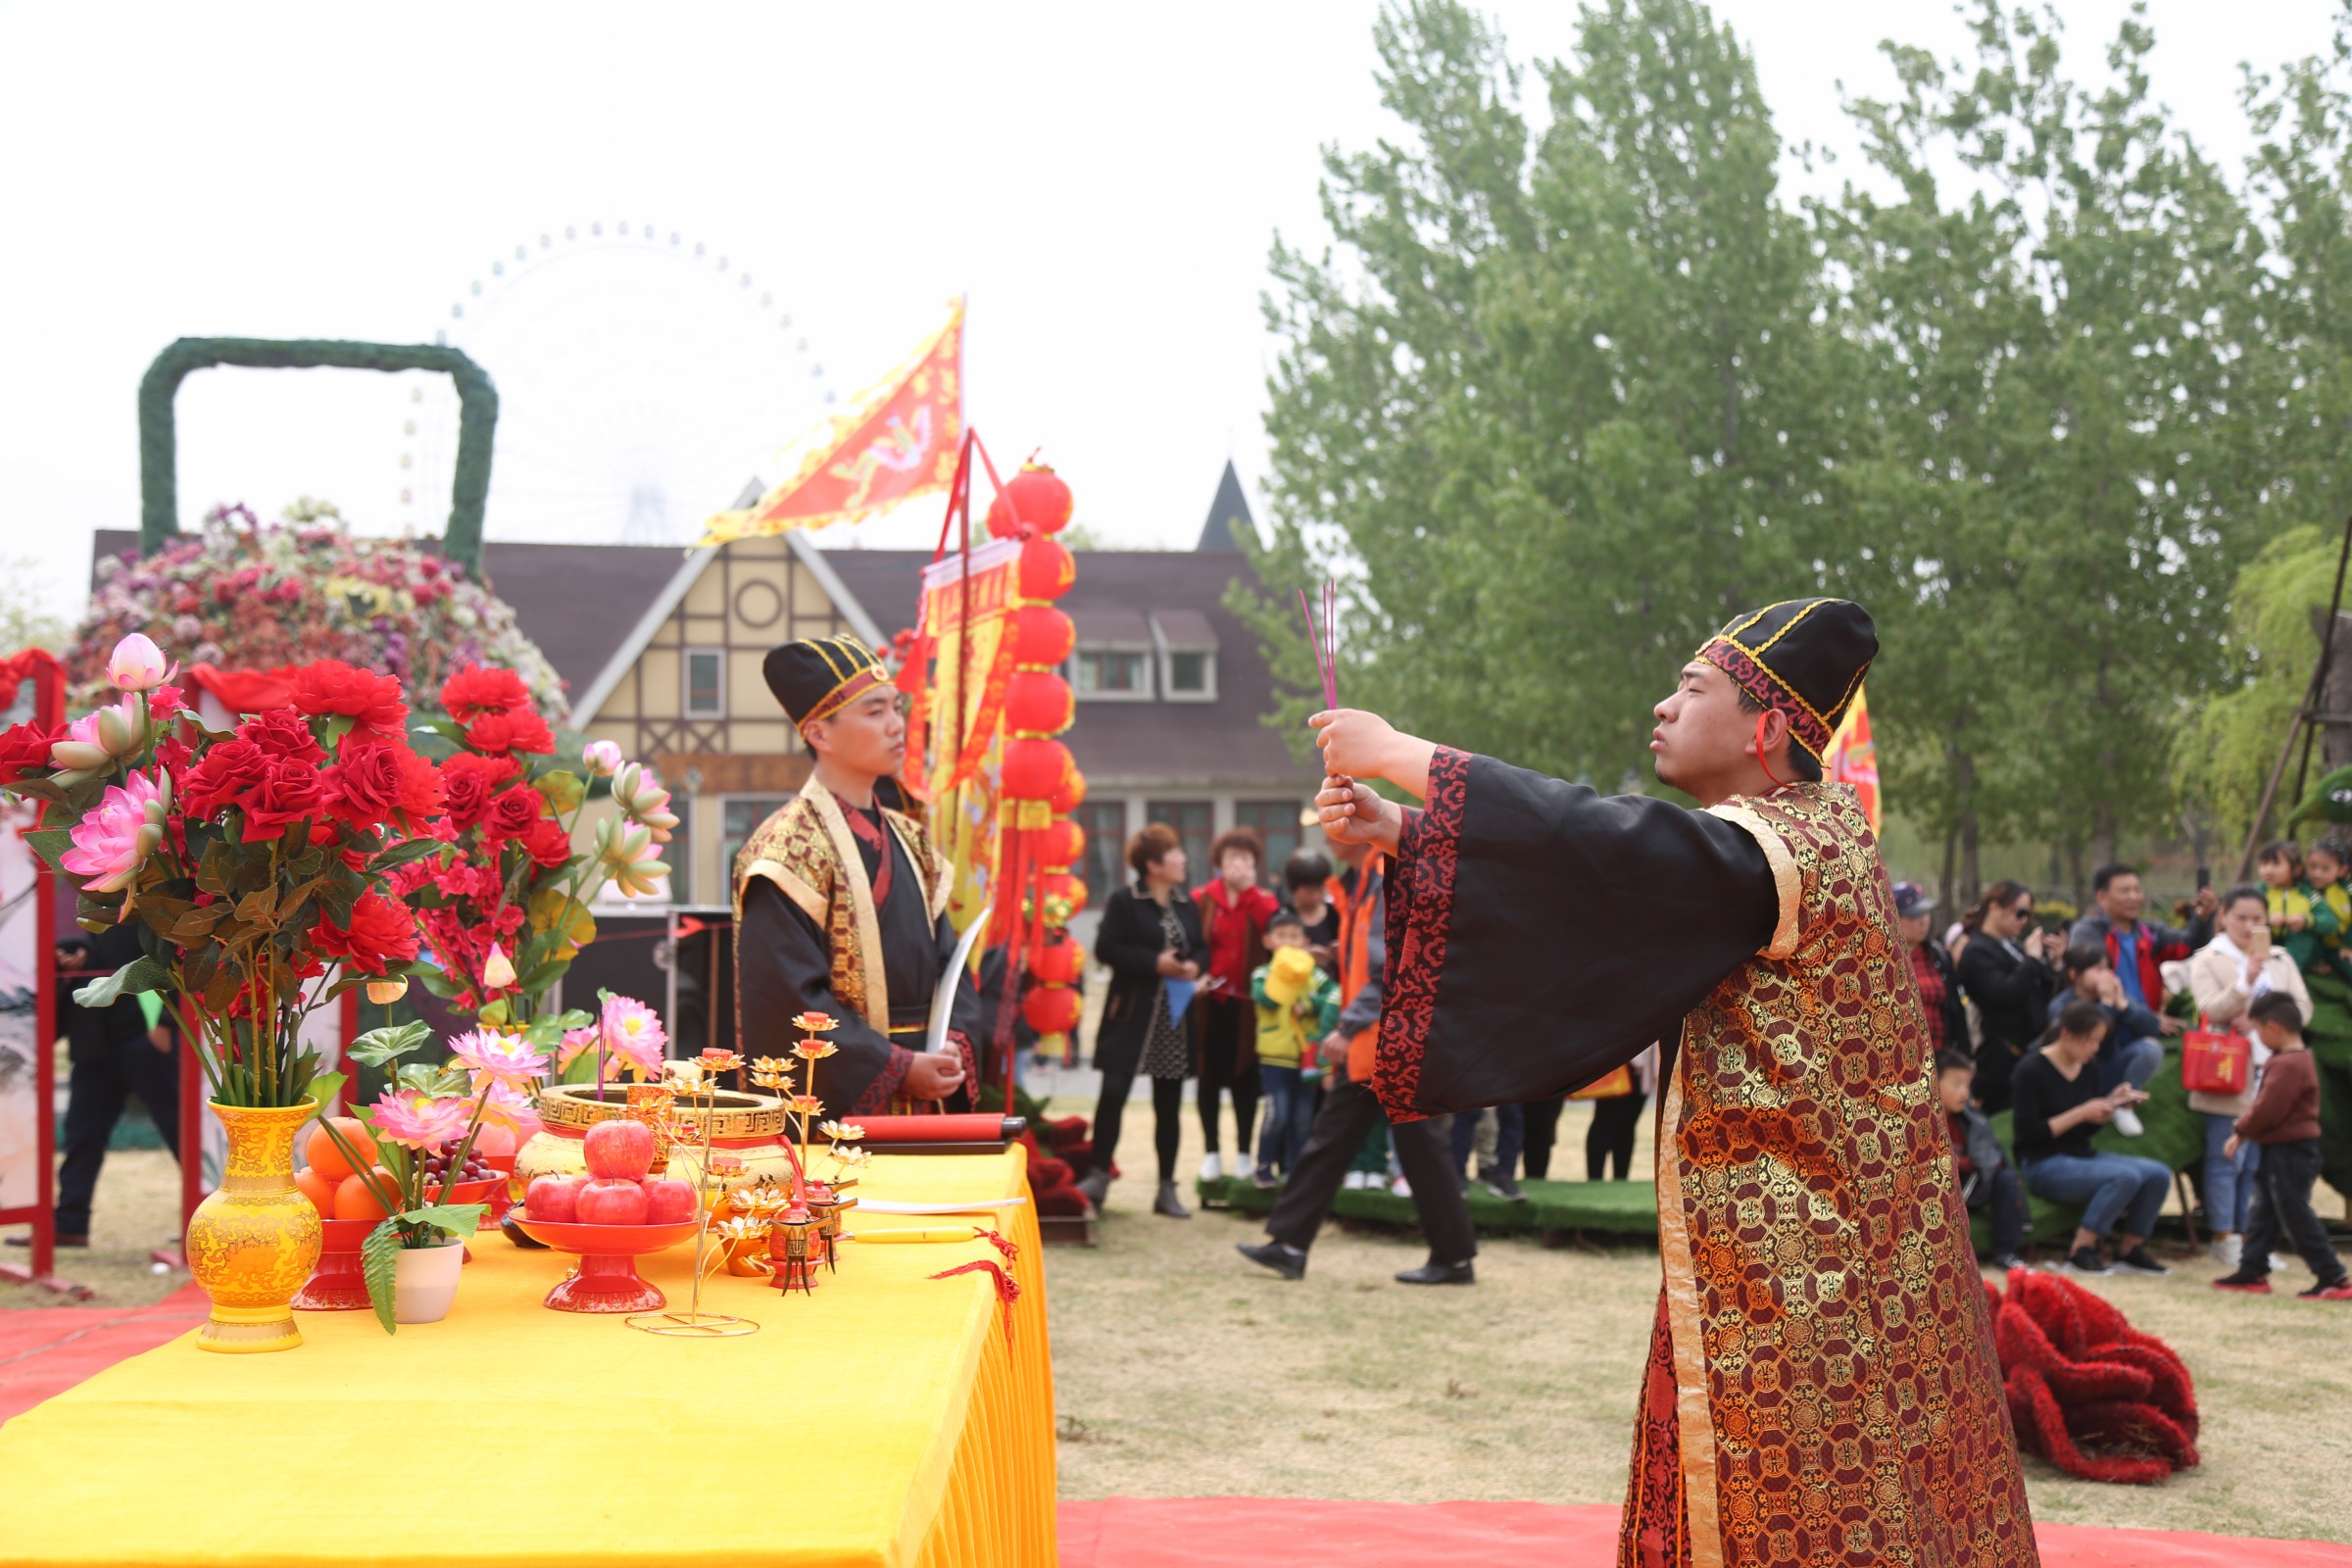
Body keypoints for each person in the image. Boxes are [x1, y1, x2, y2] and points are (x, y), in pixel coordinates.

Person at [1311, 598, 2033, 1565]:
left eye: (1691, 690)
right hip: (1798, 1243)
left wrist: (1410, 756)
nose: (1661, 707)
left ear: (1766, 727)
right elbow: (1613, 897)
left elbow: (1605, 845)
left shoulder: (1776, 845)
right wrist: (1407, 827)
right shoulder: (1809, 834)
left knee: (1800, 1509)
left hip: (1799, 1264)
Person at [732, 635, 981, 1118]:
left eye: (896, 708)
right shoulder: (785, 853)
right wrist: (897, 1066)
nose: (896, 726)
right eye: (874, 712)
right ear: (819, 734)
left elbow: (953, 970)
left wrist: (954, 1044)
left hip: (930, 1097)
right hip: (847, 1113)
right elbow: (788, 1001)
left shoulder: (915, 842)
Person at [1234, 836, 1478, 1286]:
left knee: (1418, 1148)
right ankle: (1289, 1244)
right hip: (1374, 1043)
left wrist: (1346, 1027)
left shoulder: (1383, 878)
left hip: (1393, 1040)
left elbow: (1390, 967)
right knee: (1331, 1142)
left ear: (1355, 831)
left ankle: (1455, 1258)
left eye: (1332, 824)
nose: (1325, 835)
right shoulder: (1359, 883)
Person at [13, 922, 180, 1250]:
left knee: (181, 1131)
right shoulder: (97, 904)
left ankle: (211, 1213)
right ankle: (70, 1225)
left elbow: (179, 961)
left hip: (142, 1039)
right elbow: (98, 953)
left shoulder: (151, 899)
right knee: (81, 1134)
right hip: (95, 1047)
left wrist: (164, 1024)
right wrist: (75, 950)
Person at [1083, 823, 1207, 1218]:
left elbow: (1202, 948)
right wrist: (1155, 962)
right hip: (1131, 1015)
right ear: (1153, 864)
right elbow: (1106, 948)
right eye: (1175, 853)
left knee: (1168, 1104)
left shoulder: (1186, 904)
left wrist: (1193, 969)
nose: (1183, 859)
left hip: (1174, 1018)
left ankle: (1167, 1189)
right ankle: (1098, 1177)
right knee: (1113, 1094)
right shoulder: (1124, 900)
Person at [2187, 884, 2311, 1269]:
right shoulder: (2208, 958)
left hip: (2275, 1070)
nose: (2249, 925)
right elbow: (2210, 1006)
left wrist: (2265, 1019)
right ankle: (2225, 1236)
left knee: (2259, 1162)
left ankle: (2253, 1238)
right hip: (2228, 1069)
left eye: (2257, 918)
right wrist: (2244, 985)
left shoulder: (2280, 958)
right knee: (2227, 1158)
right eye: (2240, 917)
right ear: (2223, 915)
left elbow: (2303, 1008)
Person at [2011, 999, 2168, 1277]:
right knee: (2125, 1176)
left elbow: (2083, 1131)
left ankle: (2130, 1250)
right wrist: (2082, 1112)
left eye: (2098, 1042)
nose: (2094, 1049)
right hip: (2042, 1163)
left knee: (2158, 1174)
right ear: (2066, 1034)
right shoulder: (2031, 1068)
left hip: (2079, 1155)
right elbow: (2029, 1134)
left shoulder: (2088, 1068)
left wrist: (2109, 1106)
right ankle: (2080, 1252)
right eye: (2090, 1042)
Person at [2212, 991, 2352, 1298]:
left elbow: (2268, 1109)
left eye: (2258, 1030)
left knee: (2295, 1213)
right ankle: (2252, 1270)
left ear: (2273, 1027)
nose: (2258, 1038)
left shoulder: (2289, 1065)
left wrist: (2241, 1131)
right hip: (2279, 1148)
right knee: (2264, 1212)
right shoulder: (2292, 1059)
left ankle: (2332, 1277)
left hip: (2292, 1151)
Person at [1193, 827, 1279, 1184]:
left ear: (1255, 864)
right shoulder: (1202, 898)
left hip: (1248, 1007)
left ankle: (1244, 1153)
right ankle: (1211, 1153)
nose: (1238, 864)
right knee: (1208, 1078)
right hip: (1209, 1003)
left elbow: (1272, 933)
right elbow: (1193, 944)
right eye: (1232, 857)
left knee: (1245, 1078)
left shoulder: (1264, 901)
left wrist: (1250, 894)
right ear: (1218, 862)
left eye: (1246, 858)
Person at [2046, 941, 2178, 1136]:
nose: (2107, 975)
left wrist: (2123, 1004)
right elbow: (2084, 1040)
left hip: (2108, 1069)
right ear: (2074, 975)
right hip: (2076, 1077)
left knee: (2150, 1048)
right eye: (2098, 970)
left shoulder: (2112, 995)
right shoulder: (2062, 1005)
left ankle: (2123, 1105)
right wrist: (2107, 1005)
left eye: (2108, 968)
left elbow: (2152, 1028)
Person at [1249, 911, 1340, 1186]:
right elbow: (1266, 999)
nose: (1288, 942)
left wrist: (1310, 1005)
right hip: (1275, 1057)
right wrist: (1288, 976)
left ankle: (1294, 1168)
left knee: (1302, 1117)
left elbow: (1335, 995)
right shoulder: (1262, 973)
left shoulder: (1315, 974)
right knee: (1277, 1114)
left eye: (1294, 937)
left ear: (1306, 941)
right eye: (1281, 936)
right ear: (1267, 941)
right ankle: (1264, 1165)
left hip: (1307, 1057)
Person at [1956, 881, 2061, 1112]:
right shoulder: (1977, 950)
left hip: (2032, 1044)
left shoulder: (2011, 945)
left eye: (2028, 915)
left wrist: (2053, 963)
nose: (2024, 921)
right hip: (2003, 1057)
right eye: (2020, 913)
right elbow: (2006, 994)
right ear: (1995, 908)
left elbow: (2039, 988)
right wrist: (2032, 960)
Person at [2068, 862, 2216, 1016]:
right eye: (2125, 891)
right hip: (2101, 1021)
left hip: (2144, 1025)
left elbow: (2186, 946)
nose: (2133, 897)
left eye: (2137, 890)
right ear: (2101, 897)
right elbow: (2089, 982)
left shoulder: (2149, 932)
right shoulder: (2088, 932)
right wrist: (2148, 1018)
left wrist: (2202, 917)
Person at [1937, 1048, 2028, 1273]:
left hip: (1971, 1184)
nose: (1964, 1093)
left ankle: (2006, 1252)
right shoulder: (1917, 1121)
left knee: (2005, 1179)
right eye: (1957, 1085)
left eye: (1967, 1085)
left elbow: (1992, 1158)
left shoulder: (1972, 1120)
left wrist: (1966, 1163)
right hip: (1935, 1189)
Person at [1894, 880, 1968, 1057]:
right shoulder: (1879, 959)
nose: (1923, 921)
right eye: (1913, 916)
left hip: (1938, 1058)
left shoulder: (1938, 956)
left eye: (1925, 914)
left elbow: (1954, 1009)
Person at [1585, 1042, 1657, 1181]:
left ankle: (1621, 1178)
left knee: (1627, 1124)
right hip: (1618, 1058)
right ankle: (1595, 1179)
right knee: (1605, 1121)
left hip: (1642, 1059)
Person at [2258, 840, 2319, 973]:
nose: (2268, 870)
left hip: (2297, 950)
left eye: (2276, 864)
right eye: (2264, 864)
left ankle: (2290, 971)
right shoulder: (2257, 892)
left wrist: (2306, 921)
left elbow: (2330, 921)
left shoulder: (2308, 893)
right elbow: (2244, 916)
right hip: (2267, 943)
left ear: (2296, 869)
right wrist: (2267, 919)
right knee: (2258, 931)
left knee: (2303, 935)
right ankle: (2260, 969)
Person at [1283, 847, 1340, 974]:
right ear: (1293, 887)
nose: (1315, 895)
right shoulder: (1284, 916)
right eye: (1309, 891)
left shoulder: (1335, 914)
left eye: (1320, 889)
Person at [2302, 837, 2352, 980]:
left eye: (2325, 869)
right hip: (2315, 946)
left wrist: (2349, 948)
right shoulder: (2303, 888)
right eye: (2313, 866)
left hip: (2342, 946)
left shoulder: (2346, 890)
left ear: (2342, 870)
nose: (2317, 873)